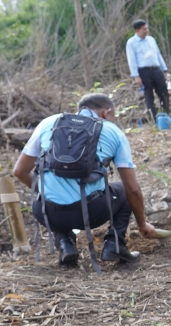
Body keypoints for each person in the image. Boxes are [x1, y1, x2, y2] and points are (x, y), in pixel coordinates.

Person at [12, 93, 157, 267]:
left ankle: (65, 243)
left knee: (51, 196)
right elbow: (132, 188)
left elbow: (19, 171)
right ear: (106, 113)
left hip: (49, 214)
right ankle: (114, 245)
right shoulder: (112, 131)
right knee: (124, 191)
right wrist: (142, 224)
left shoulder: (49, 123)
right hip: (92, 212)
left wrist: (46, 192)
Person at [126, 20, 170, 121]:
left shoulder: (151, 40)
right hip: (143, 71)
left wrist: (164, 69)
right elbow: (131, 60)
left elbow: (158, 54)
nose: (146, 31)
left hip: (156, 69)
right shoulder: (131, 43)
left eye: (147, 28)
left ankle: (167, 116)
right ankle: (154, 119)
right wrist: (136, 76)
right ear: (137, 30)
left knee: (164, 93)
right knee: (149, 95)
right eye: (144, 29)